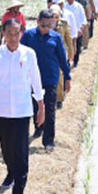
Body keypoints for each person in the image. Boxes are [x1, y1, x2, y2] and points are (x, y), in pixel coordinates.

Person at [0, 19, 45, 194]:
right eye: (9, 33)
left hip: (22, 109)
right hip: (2, 109)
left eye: (16, 33)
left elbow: (35, 80)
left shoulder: (29, 54)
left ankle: (18, 192)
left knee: (20, 150)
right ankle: (11, 171)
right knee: (6, 148)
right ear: (3, 33)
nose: (12, 37)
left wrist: (41, 106)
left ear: (21, 33)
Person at [21, 10, 72, 151]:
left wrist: (68, 77)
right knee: (35, 107)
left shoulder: (56, 38)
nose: (46, 29)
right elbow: (20, 54)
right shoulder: (28, 36)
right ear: (38, 22)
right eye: (43, 26)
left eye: (50, 26)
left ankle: (48, 140)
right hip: (32, 79)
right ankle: (38, 128)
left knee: (50, 109)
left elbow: (62, 58)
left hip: (50, 78)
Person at [64, 0, 86, 67]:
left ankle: (75, 61)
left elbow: (83, 19)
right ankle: (68, 61)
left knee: (77, 47)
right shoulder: (64, 7)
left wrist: (81, 29)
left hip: (77, 30)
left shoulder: (79, 7)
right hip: (67, 31)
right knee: (68, 47)